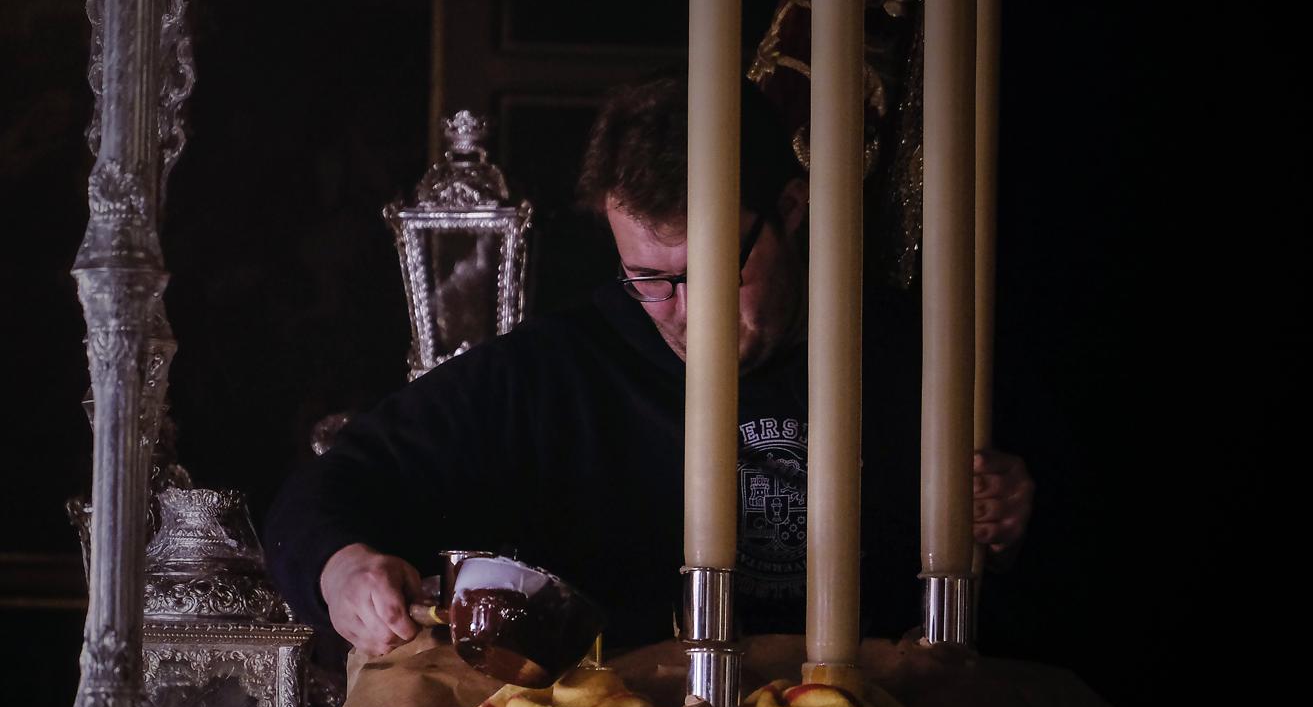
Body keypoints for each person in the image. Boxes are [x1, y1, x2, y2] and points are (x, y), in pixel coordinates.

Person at [264, 76, 1033, 659]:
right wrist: (345, 568)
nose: (683, 311)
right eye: (649, 280)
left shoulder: (922, 359)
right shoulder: (556, 369)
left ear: (791, 211)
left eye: (713, 272)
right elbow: (335, 485)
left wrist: (1012, 516)